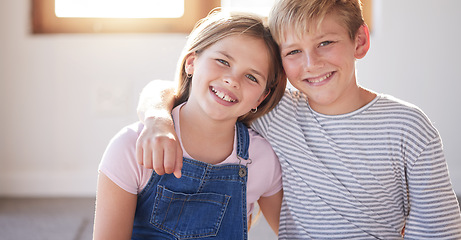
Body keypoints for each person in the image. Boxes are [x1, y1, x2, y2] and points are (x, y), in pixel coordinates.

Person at [135, 0, 461, 239]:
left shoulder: (409, 127)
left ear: (359, 41)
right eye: (293, 52)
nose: (311, 63)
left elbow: (438, 231)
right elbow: (172, 90)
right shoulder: (276, 111)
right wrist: (156, 118)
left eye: (325, 43)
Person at [93, 10, 287, 240]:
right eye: (223, 61)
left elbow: (293, 233)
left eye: (252, 77)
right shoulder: (130, 147)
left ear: (261, 98)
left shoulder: (262, 159)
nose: (232, 80)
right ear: (192, 63)